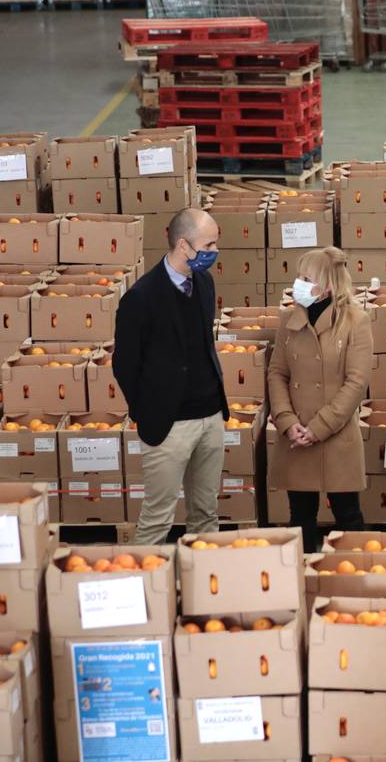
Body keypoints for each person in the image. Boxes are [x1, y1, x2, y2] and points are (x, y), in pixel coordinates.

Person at [114, 208, 229, 545]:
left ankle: (203, 588)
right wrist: (147, 411)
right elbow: (124, 365)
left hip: (210, 417)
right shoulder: (141, 298)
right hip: (169, 426)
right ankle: (144, 591)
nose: (214, 252)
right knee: (157, 520)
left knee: (206, 514)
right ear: (184, 245)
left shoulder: (205, 283)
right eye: (208, 245)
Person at [266, 247, 373, 552]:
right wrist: (287, 422)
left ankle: (353, 580)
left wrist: (319, 427)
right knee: (300, 517)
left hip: (335, 434)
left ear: (327, 285)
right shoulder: (289, 319)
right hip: (296, 435)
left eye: (305, 278)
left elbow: (356, 381)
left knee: (347, 515)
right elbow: (277, 373)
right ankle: (300, 581)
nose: (297, 283)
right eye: (297, 276)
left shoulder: (355, 320)